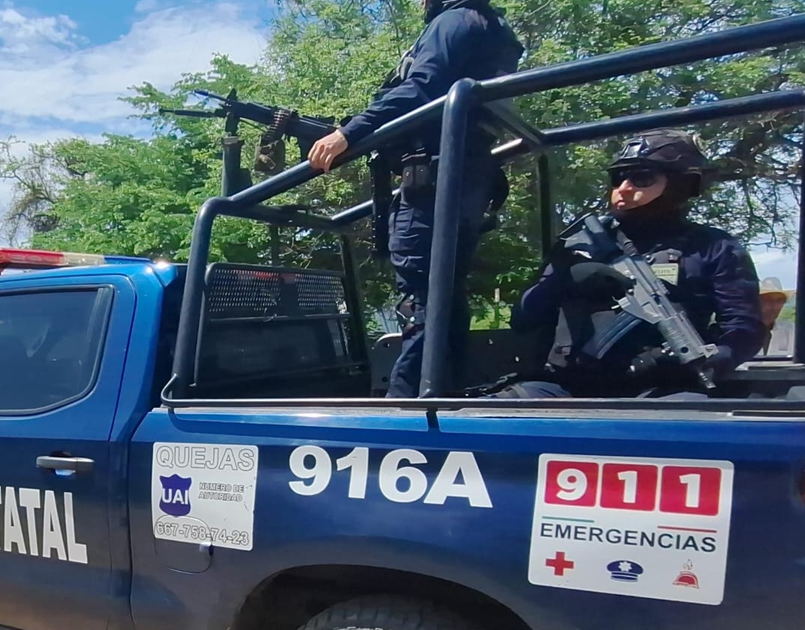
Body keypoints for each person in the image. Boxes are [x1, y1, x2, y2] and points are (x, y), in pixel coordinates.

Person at [308, 0, 525, 398]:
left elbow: (422, 86)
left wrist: (349, 133)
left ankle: (409, 400)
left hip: (436, 175)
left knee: (422, 292)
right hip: (466, 173)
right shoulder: (491, 28)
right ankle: (443, 391)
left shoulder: (453, 21)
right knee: (444, 289)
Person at [496, 129, 764, 399]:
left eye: (642, 178)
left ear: (680, 184)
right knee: (496, 409)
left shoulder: (713, 247)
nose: (623, 188)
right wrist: (565, 278)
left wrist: (702, 360)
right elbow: (522, 319)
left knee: (689, 413)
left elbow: (743, 329)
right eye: (618, 178)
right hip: (566, 387)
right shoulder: (578, 245)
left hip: (660, 390)